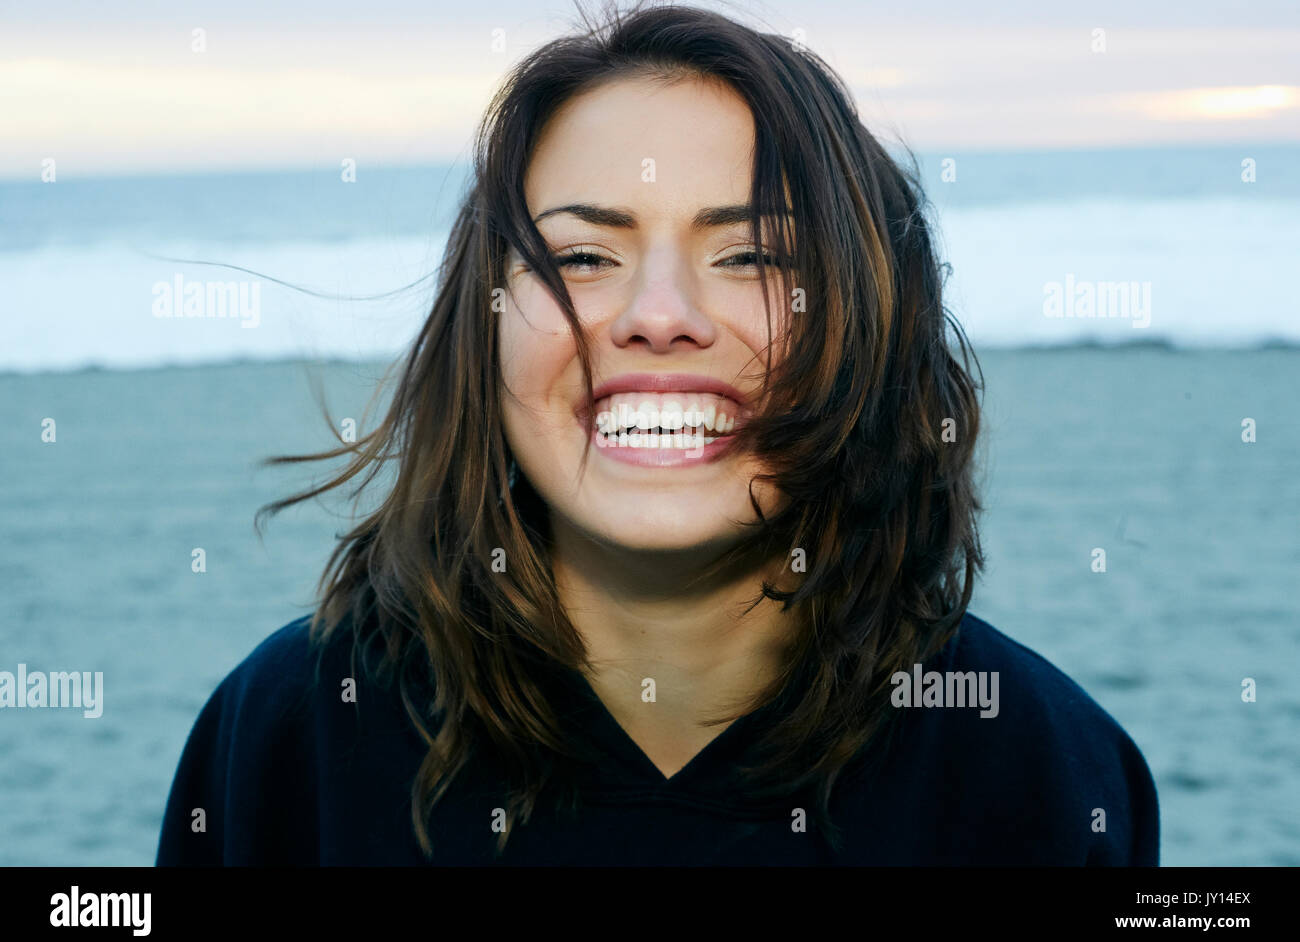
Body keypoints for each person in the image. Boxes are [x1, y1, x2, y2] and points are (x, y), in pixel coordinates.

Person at [157, 1, 1159, 865]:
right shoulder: (293, 733)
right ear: (484, 329)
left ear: (870, 326)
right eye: (585, 254)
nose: (660, 311)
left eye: (752, 255)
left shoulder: (1038, 761)